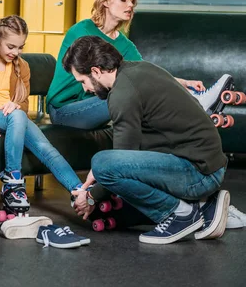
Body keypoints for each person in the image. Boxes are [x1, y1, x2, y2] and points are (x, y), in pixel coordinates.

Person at [65, 35, 229, 245]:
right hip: (210, 166)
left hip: (199, 174)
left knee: (102, 163)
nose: (84, 89)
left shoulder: (122, 94)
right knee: (104, 165)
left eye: (83, 81)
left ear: (96, 71)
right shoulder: (139, 69)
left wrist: (90, 197)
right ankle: (205, 205)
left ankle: (180, 214)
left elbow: (117, 164)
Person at [46, 0, 219, 130]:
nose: (130, 5)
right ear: (106, 1)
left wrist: (184, 84)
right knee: (128, 95)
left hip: (96, 104)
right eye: (123, 0)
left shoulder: (125, 44)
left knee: (137, 92)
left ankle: (195, 106)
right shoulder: (82, 32)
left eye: (132, 0)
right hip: (65, 110)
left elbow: (146, 74)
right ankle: (196, 107)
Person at [0, 15, 84, 214]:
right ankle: (12, 179)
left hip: (14, 118)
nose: (15, 52)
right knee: (19, 117)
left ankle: (79, 191)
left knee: (46, 148)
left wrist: (16, 105)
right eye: (11, 47)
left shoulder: (23, 66)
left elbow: (23, 104)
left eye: (20, 47)